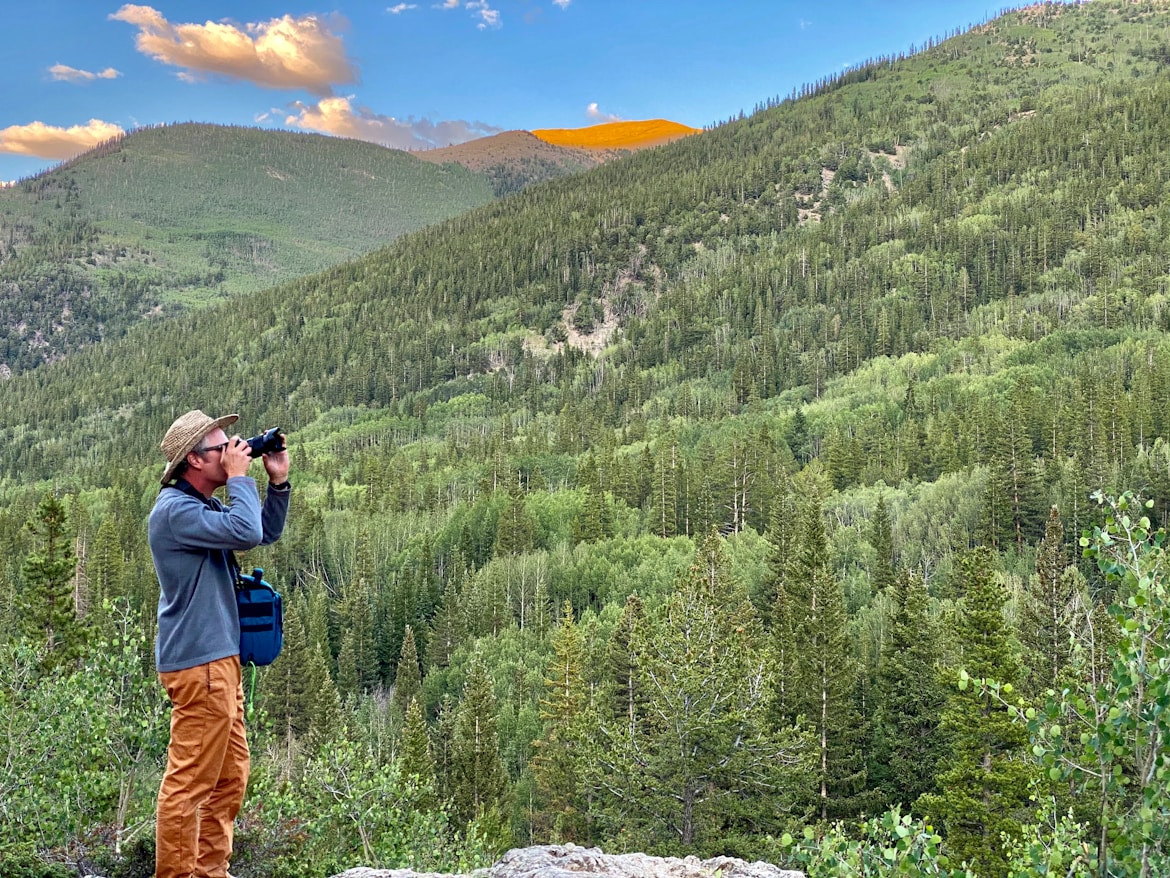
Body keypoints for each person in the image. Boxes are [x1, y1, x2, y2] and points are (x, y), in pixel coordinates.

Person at [148, 410, 291, 878]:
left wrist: (278, 485)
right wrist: (240, 479)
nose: (231, 450)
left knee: (229, 780)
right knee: (189, 784)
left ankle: (211, 871)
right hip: (201, 664)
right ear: (193, 459)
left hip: (219, 663)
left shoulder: (201, 508)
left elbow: (260, 531)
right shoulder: (175, 512)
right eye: (220, 447)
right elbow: (245, 530)